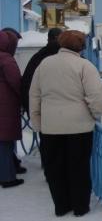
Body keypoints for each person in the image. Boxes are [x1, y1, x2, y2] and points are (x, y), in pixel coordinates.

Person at [30, 30, 102, 217]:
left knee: (55, 168)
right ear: (81, 46)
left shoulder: (44, 65)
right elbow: (96, 96)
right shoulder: (84, 66)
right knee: (78, 168)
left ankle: (61, 206)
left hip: (50, 128)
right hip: (79, 128)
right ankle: (80, 207)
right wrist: (96, 115)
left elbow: (34, 95)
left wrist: (37, 122)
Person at [20, 27, 62, 175]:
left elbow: (26, 85)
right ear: (56, 39)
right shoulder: (66, 58)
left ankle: (49, 170)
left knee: (47, 141)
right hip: (62, 110)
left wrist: (31, 110)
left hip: (43, 110)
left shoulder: (38, 57)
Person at [0, 31, 24, 188]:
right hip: (5, 106)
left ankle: (10, 169)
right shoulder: (6, 60)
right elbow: (17, 82)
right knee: (5, 142)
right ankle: (7, 178)